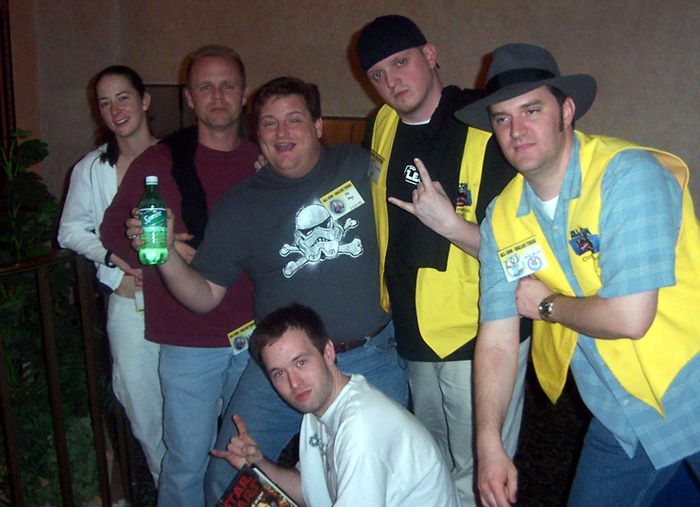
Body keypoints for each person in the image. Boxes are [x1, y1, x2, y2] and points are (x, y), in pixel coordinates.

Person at [125, 76, 409, 504]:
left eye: (294, 120)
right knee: (229, 473)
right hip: (278, 370)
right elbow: (204, 294)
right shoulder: (240, 205)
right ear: (257, 134)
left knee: (380, 484)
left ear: (317, 125)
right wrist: (163, 253)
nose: (282, 133)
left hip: (370, 358)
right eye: (270, 123)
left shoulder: (359, 165)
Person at [455, 43, 700, 507]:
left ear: (566, 111)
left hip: (691, 387)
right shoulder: (502, 217)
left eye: (531, 110)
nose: (516, 130)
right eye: (502, 118)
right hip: (619, 413)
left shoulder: (627, 177)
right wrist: (488, 443)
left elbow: (631, 317)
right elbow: (498, 341)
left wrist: (546, 306)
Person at [355, 15, 530, 504]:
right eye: (378, 74)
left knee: (481, 470)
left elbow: (524, 256)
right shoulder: (381, 124)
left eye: (401, 63)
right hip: (413, 329)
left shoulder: (487, 128)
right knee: (429, 459)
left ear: (430, 55)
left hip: (480, 332)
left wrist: (450, 225)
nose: (392, 82)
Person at [100, 45, 258, 506]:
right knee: (186, 462)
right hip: (189, 339)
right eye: (205, 87)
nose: (217, 96)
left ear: (244, 94)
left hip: (255, 334)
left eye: (227, 86)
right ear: (189, 97)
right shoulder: (160, 161)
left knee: (245, 458)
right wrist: (152, 249)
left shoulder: (262, 158)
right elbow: (113, 229)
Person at [212, 303, 460, 506]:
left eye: (300, 363)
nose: (294, 383)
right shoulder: (319, 411)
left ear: (328, 352)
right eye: (279, 373)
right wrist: (258, 463)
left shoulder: (361, 426)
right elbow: (310, 490)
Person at [57, 65, 164, 483]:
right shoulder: (92, 168)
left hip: (182, 306)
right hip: (129, 307)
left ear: (144, 99)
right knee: (144, 413)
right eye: (104, 103)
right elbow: (69, 230)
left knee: (196, 409)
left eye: (123, 97)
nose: (115, 109)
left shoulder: (177, 156)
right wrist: (110, 258)